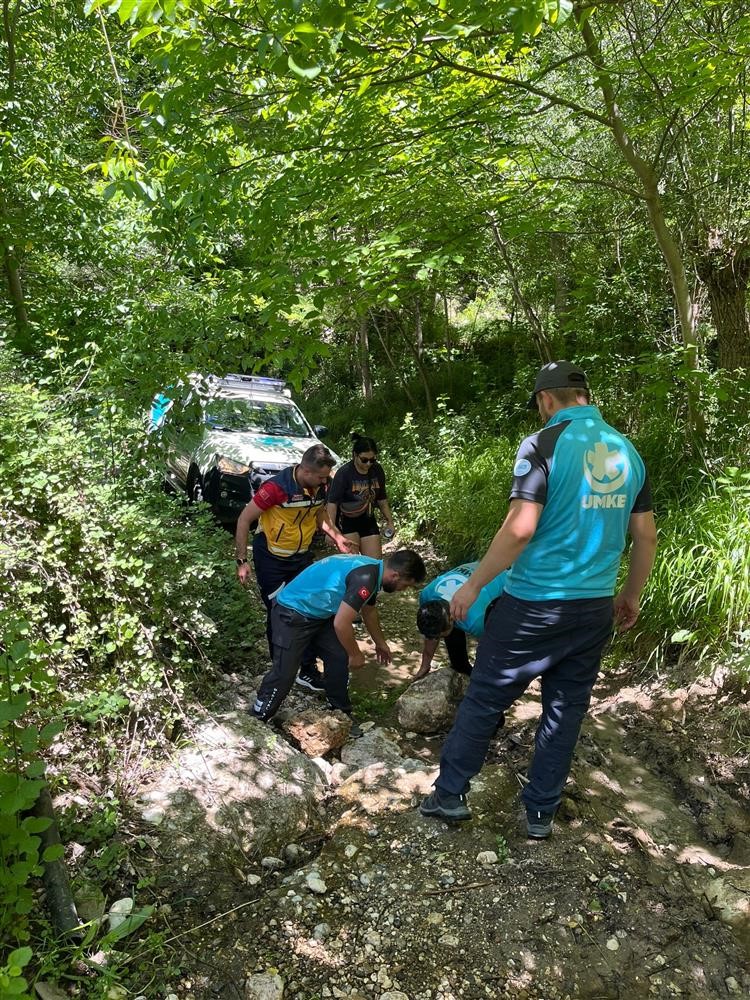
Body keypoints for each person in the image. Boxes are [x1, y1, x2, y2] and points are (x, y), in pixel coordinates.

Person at [420, 361, 657, 840]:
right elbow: (646, 536)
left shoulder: (543, 444)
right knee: (564, 710)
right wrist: (629, 596)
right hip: (593, 608)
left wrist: (471, 585)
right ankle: (540, 813)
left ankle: (449, 795)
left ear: (546, 400)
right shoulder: (627, 451)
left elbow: (521, 528)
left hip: (533, 604)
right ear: (585, 396)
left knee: (486, 698)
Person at [251, 549, 427, 724]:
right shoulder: (365, 578)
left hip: (319, 614)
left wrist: (380, 643)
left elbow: (369, 611)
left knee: (338, 656)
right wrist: (355, 654)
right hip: (292, 613)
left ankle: (341, 713)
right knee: (285, 672)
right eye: (405, 585)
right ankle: (259, 715)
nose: (403, 590)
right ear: (395, 576)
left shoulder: (374, 570)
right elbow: (341, 623)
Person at [235, 444, 354, 692]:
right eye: (321, 477)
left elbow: (320, 514)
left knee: (308, 610)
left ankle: (307, 670)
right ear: (306, 471)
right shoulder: (276, 489)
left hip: (300, 557)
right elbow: (244, 519)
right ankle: (280, 668)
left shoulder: (320, 485)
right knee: (280, 612)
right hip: (271, 558)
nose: (325, 482)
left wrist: (337, 536)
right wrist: (242, 561)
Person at [415, 562, 509, 679]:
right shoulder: (426, 595)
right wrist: (425, 665)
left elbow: (490, 648)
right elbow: (431, 637)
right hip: (477, 568)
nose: (437, 639)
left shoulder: (475, 620)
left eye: (439, 636)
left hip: (503, 581)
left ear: (451, 618)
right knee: (451, 638)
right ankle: (462, 669)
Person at [327, 435, 395, 559]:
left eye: (372, 459)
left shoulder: (377, 470)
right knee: (352, 563)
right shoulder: (344, 473)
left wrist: (390, 522)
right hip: (347, 519)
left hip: (368, 518)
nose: (368, 463)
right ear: (355, 455)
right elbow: (332, 503)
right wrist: (331, 530)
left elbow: (382, 499)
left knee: (374, 563)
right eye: (364, 460)